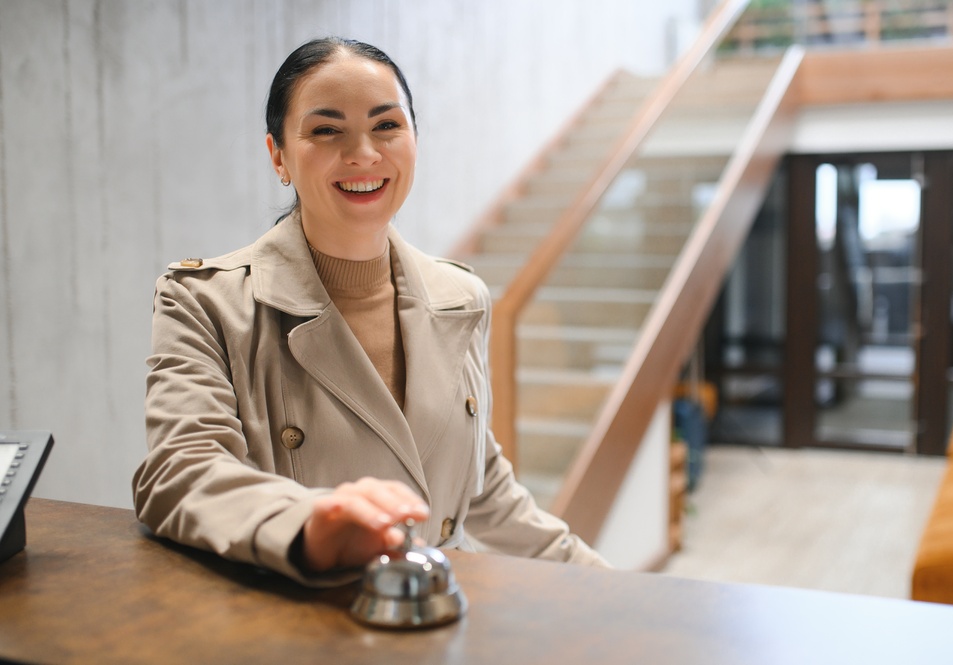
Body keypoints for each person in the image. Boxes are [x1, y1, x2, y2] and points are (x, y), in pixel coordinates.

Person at [132, 37, 609, 585]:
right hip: (298, 620)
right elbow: (181, 472)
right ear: (278, 155)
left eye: (387, 126)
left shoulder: (462, 299)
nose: (363, 154)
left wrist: (618, 590)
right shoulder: (203, 302)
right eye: (326, 130)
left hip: (433, 618)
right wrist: (312, 525)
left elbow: (485, 492)